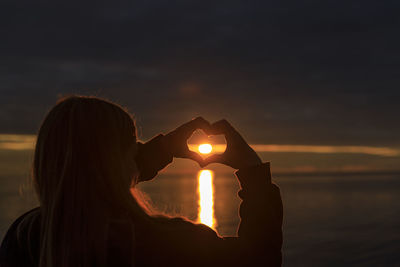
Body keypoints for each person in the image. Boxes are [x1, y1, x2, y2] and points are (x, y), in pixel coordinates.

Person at [0, 95, 283, 267]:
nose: (137, 148)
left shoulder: (26, 236)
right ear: (120, 159)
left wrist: (163, 148)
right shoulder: (167, 243)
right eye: (132, 144)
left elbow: (95, 176)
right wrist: (252, 171)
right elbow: (258, 260)